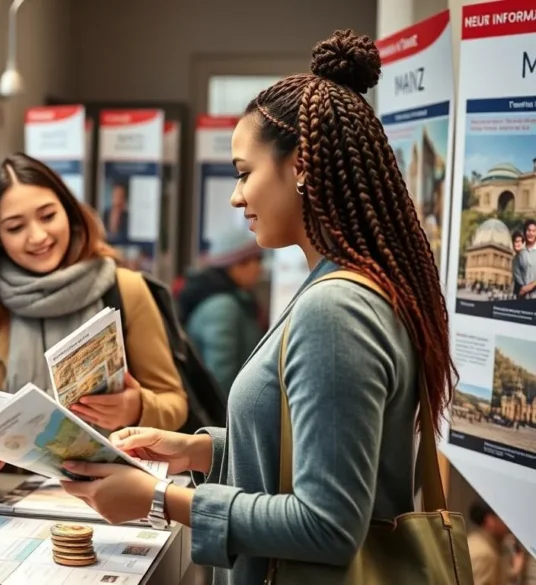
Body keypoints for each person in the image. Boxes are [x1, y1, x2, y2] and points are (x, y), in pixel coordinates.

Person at [58, 30, 457, 585]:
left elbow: (327, 522)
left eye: (245, 172)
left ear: (300, 166)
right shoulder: (344, 286)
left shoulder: (337, 309)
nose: (236, 195)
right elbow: (307, 459)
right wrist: (195, 452)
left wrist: (157, 499)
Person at [0, 153, 187, 483]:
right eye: (15, 227)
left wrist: (137, 408)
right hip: (8, 506)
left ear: (68, 212)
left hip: (115, 493)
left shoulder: (125, 290)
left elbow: (175, 404)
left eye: (48, 216)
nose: (38, 236)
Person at [176, 228, 265, 394]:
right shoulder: (223, 307)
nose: (260, 269)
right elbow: (221, 378)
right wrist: (228, 418)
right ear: (236, 264)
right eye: (256, 260)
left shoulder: (236, 300)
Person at [467, 500, 526, 585]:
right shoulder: (485, 555)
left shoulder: (474, 541)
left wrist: (513, 573)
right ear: (490, 521)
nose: (508, 524)